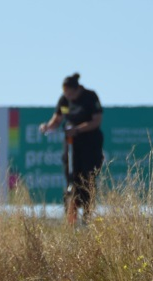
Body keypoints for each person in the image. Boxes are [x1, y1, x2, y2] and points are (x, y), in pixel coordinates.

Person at [39, 73, 104, 225]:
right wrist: (47, 127)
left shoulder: (90, 97)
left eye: (70, 93)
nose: (68, 96)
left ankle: (88, 217)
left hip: (90, 144)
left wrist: (78, 129)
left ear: (77, 89)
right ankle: (71, 219)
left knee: (87, 179)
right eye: (65, 93)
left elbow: (96, 121)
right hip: (71, 145)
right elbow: (57, 119)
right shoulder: (64, 100)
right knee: (72, 180)